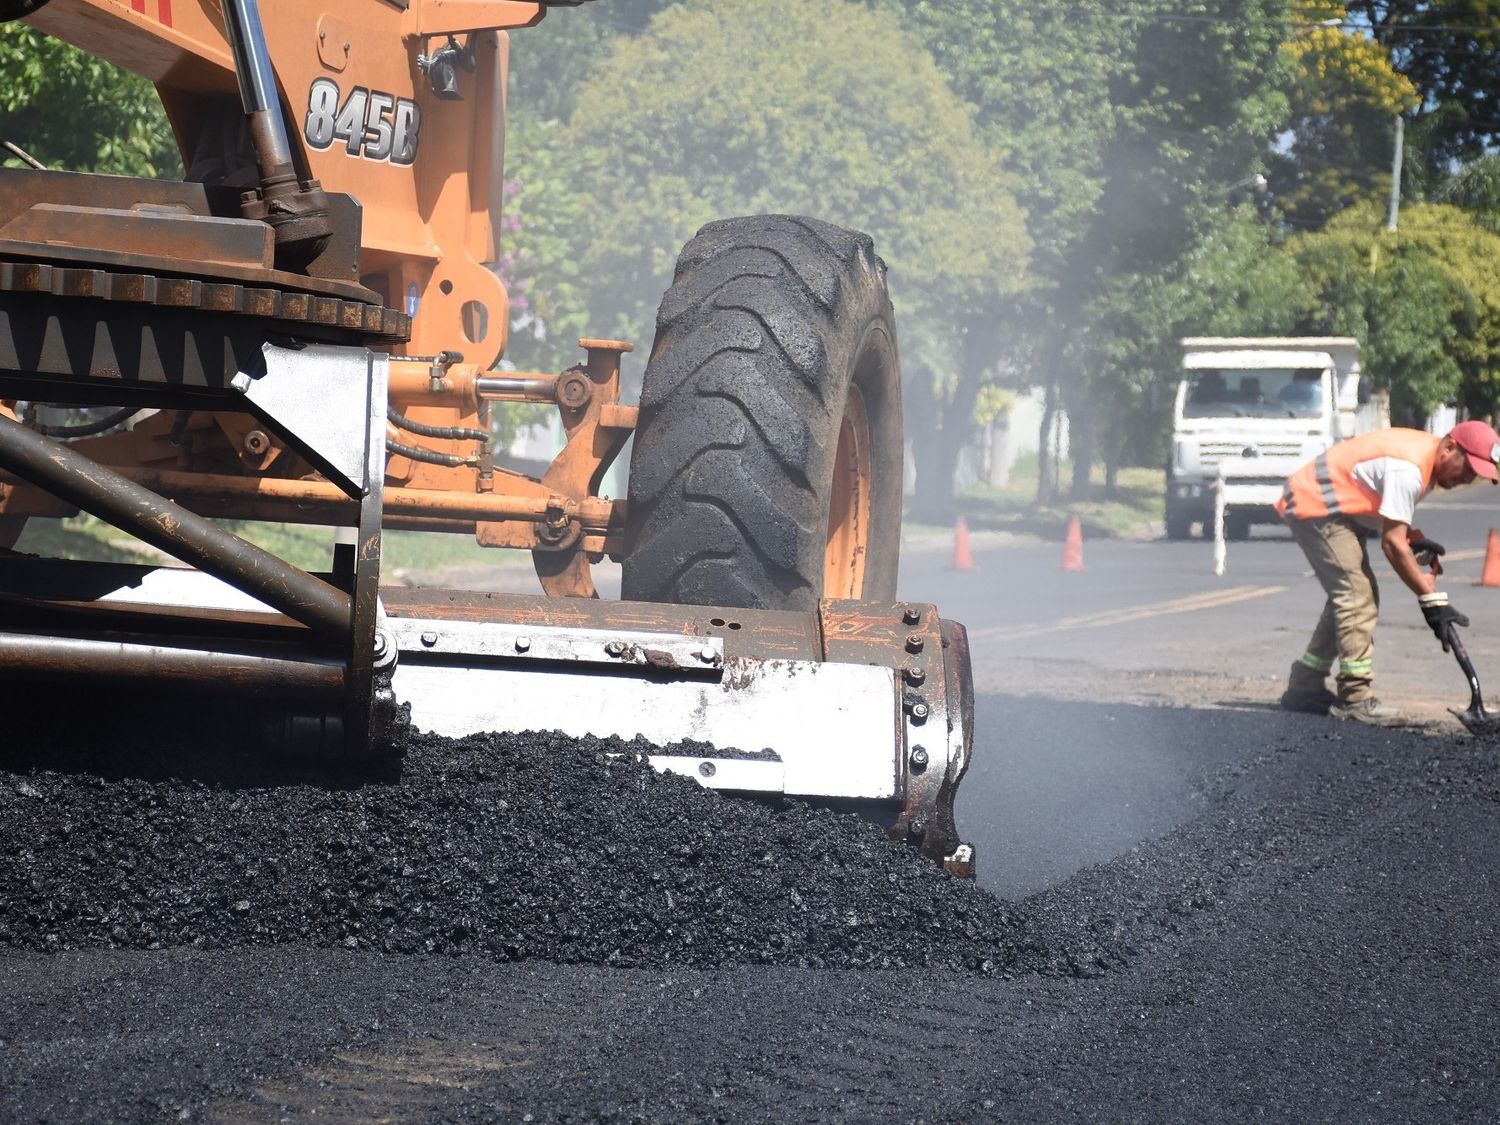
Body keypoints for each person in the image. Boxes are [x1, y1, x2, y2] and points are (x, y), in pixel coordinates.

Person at [1276, 420, 1500, 726]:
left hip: (1335, 506)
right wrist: (1431, 599)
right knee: (1356, 595)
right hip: (1316, 503)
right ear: (1450, 448)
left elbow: (1390, 521)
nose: (1466, 478)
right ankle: (1355, 699)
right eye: (1468, 469)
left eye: (1476, 475)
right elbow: (1392, 545)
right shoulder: (1408, 468)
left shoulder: (1422, 458)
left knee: (1351, 595)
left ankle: (1305, 685)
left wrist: (1413, 539)